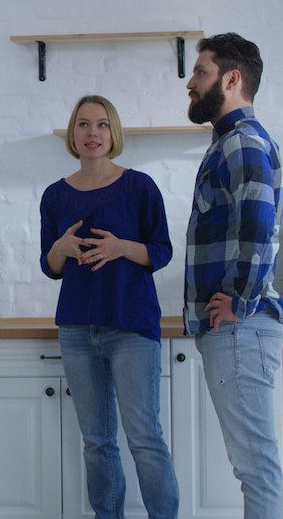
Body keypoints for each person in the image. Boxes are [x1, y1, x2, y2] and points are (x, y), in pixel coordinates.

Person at [40, 95, 179, 519]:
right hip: (78, 331)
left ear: (113, 133)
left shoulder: (139, 187)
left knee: (144, 437)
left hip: (131, 328)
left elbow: (162, 251)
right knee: (97, 441)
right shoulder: (55, 195)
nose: (92, 133)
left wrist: (121, 248)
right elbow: (51, 267)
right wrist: (60, 248)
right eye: (83, 125)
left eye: (101, 124)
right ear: (73, 134)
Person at [184, 32, 283, 519]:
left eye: (200, 72)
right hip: (237, 329)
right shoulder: (230, 143)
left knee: (257, 467)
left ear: (232, 79)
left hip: (241, 328)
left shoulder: (242, 142)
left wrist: (240, 300)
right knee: (254, 465)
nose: (191, 82)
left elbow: (261, 227)